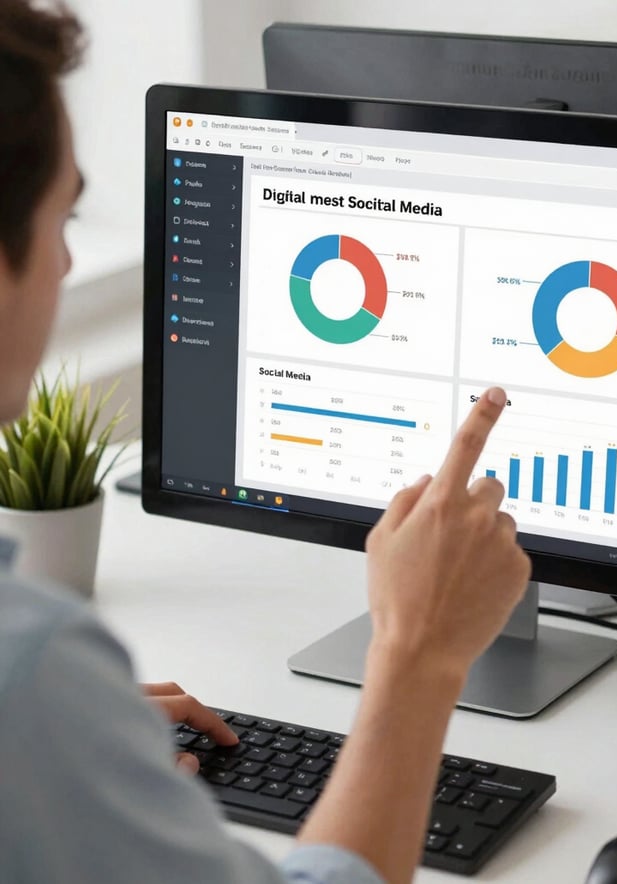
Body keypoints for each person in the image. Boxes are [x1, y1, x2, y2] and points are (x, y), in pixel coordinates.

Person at [0, 2, 532, 882]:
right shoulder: (28, 670)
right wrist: (417, 653)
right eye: (62, 223)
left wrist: (74, 751)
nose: (63, 266)